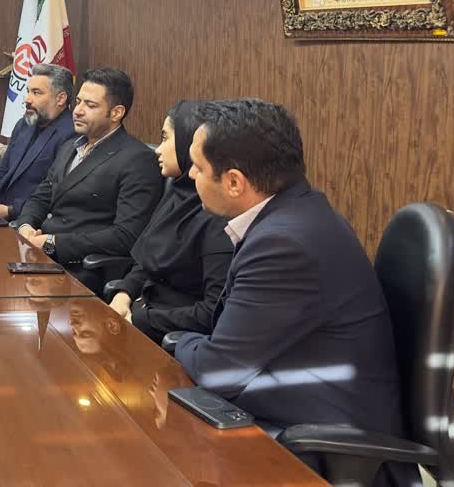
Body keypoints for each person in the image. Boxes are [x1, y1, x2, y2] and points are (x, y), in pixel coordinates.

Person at [175, 99, 410, 484]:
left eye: (198, 167)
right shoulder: (298, 211)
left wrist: (180, 341)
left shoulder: (284, 244)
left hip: (319, 445)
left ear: (234, 182)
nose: (190, 175)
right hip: (300, 405)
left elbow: (220, 370)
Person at [14, 66, 163, 293]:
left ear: (116, 113)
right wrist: (26, 226)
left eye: (90, 105)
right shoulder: (69, 147)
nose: (78, 111)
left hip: (81, 268)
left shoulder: (137, 159)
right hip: (39, 255)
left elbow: (125, 236)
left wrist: (53, 243)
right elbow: (40, 197)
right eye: (78, 102)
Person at [106, 101, 233, 343]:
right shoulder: (178, 192)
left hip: (170, 337)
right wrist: (124, 294)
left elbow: (212, 312)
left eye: (165, 138)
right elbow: (147, 260)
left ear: (189, 144)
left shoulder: (217, 214)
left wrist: (141, 320)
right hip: (141, 312)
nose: (158, 149)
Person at [0, 63, 77, 220]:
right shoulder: (24, 124)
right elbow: (2, 170)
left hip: (31, 221)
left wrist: (11, 210)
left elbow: (56, 193)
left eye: (36, 93)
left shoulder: (71, 133)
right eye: (28, 91)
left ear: (61, 99)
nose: (27, 99)